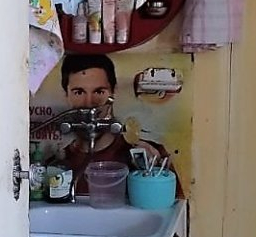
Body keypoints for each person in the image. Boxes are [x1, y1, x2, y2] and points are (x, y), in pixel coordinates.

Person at [57, 53, 172, 195]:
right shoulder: (58, 165)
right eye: (79, 92)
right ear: (66, 95)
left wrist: (156, 175)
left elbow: (172, 206)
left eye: (99, 91)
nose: (89, 103)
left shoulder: (149, 156)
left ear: (113, 92)